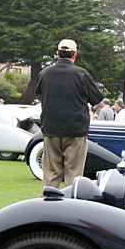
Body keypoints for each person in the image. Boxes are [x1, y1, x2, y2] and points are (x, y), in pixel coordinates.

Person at [34, 38, 104, 191]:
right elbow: (97, 98)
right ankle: (71, 209)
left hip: (51, 130)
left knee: (50, 175)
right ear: (74, 55)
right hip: (75, 131)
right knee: (73, 176)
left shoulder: (44, 73)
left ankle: (46, 208)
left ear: (58, 54)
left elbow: (38, 93)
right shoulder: (81, 74)